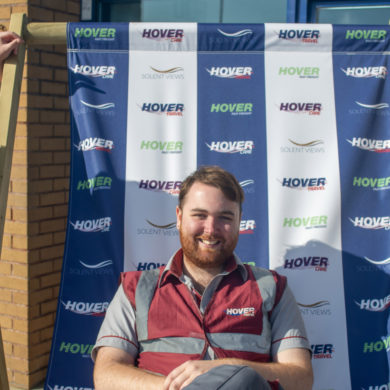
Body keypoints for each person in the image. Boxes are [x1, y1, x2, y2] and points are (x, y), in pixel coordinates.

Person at [92, 165, 313, 390]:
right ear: (179, 217)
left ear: (239, 221)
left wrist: (226, 370)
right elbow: (106, 376)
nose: (211, 229)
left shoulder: (272, 288)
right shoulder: (136, 288)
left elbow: (301, 378)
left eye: (225, 217)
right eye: (200, 215)